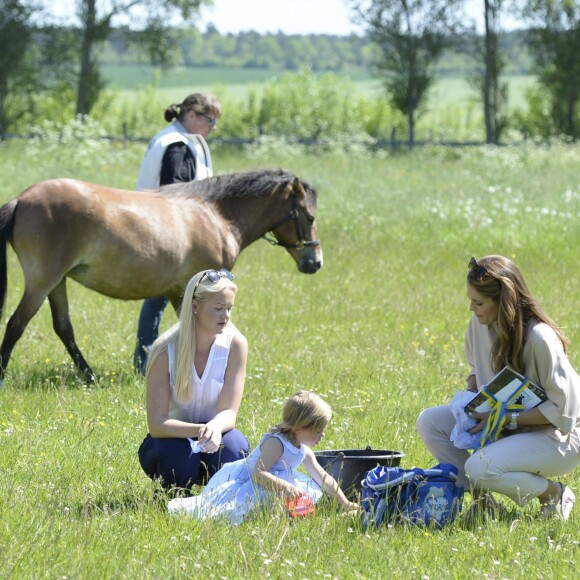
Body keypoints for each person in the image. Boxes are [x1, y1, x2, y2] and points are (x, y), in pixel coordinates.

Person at [416, 255, 580, 520]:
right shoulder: (478, 325)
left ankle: (553, 494)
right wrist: (470, 399)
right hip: (505, 426)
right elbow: (476, 372)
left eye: (478, 302)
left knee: (478, 467)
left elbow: (564, 412)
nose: (472, 308)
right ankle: (484, 502)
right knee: (429, 422)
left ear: (503, 302)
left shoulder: (540, 338)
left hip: (560, 438)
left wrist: (506, 417)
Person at [167, 391, 360, 525]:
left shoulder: (304, 451)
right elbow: (257, 473)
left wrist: (345, 503)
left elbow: (324, 479)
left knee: (299, 496)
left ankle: (287, 518)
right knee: (228, 511)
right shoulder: (276, 444)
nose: (322, 436)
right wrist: (285, 487)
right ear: (299, 426)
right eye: (318, 431)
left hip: (276, 484)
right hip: (250, 482)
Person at [138, 268, 250, 493]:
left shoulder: (236, 345)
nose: (226, 316)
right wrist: (200, 430)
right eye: (218, 308)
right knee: (178, 458)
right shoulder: (164, 349)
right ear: (195, 306)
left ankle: (218, 495)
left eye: (229, 308)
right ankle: (174, 495)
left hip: (215, 432)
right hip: (169, 438)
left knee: (234, 449)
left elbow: (229, 412)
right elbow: (157, 424)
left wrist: (215, 428)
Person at [133, 93, 222, 373]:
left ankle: (148, 357)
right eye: (209, 120)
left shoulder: (177, 139)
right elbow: (177, 192)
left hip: (164, 228)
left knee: (163, 296)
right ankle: (154, 359)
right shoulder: (178, 146)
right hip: (169, 232)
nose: (212, 127)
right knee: (165, 295)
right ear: (192, 115)